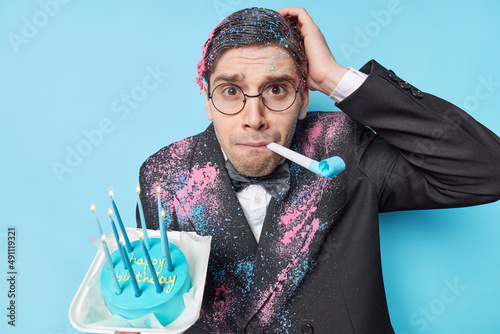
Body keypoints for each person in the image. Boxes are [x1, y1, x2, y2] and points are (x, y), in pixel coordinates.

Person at [136, 6, 500, 333]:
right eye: (231, 91)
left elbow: (488, 170)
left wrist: (332, 78)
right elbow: (165, 303)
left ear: (303, 98)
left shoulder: (341, 146)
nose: (254, 119)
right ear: (207, 100)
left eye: (276, 89)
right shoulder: (164, 175)